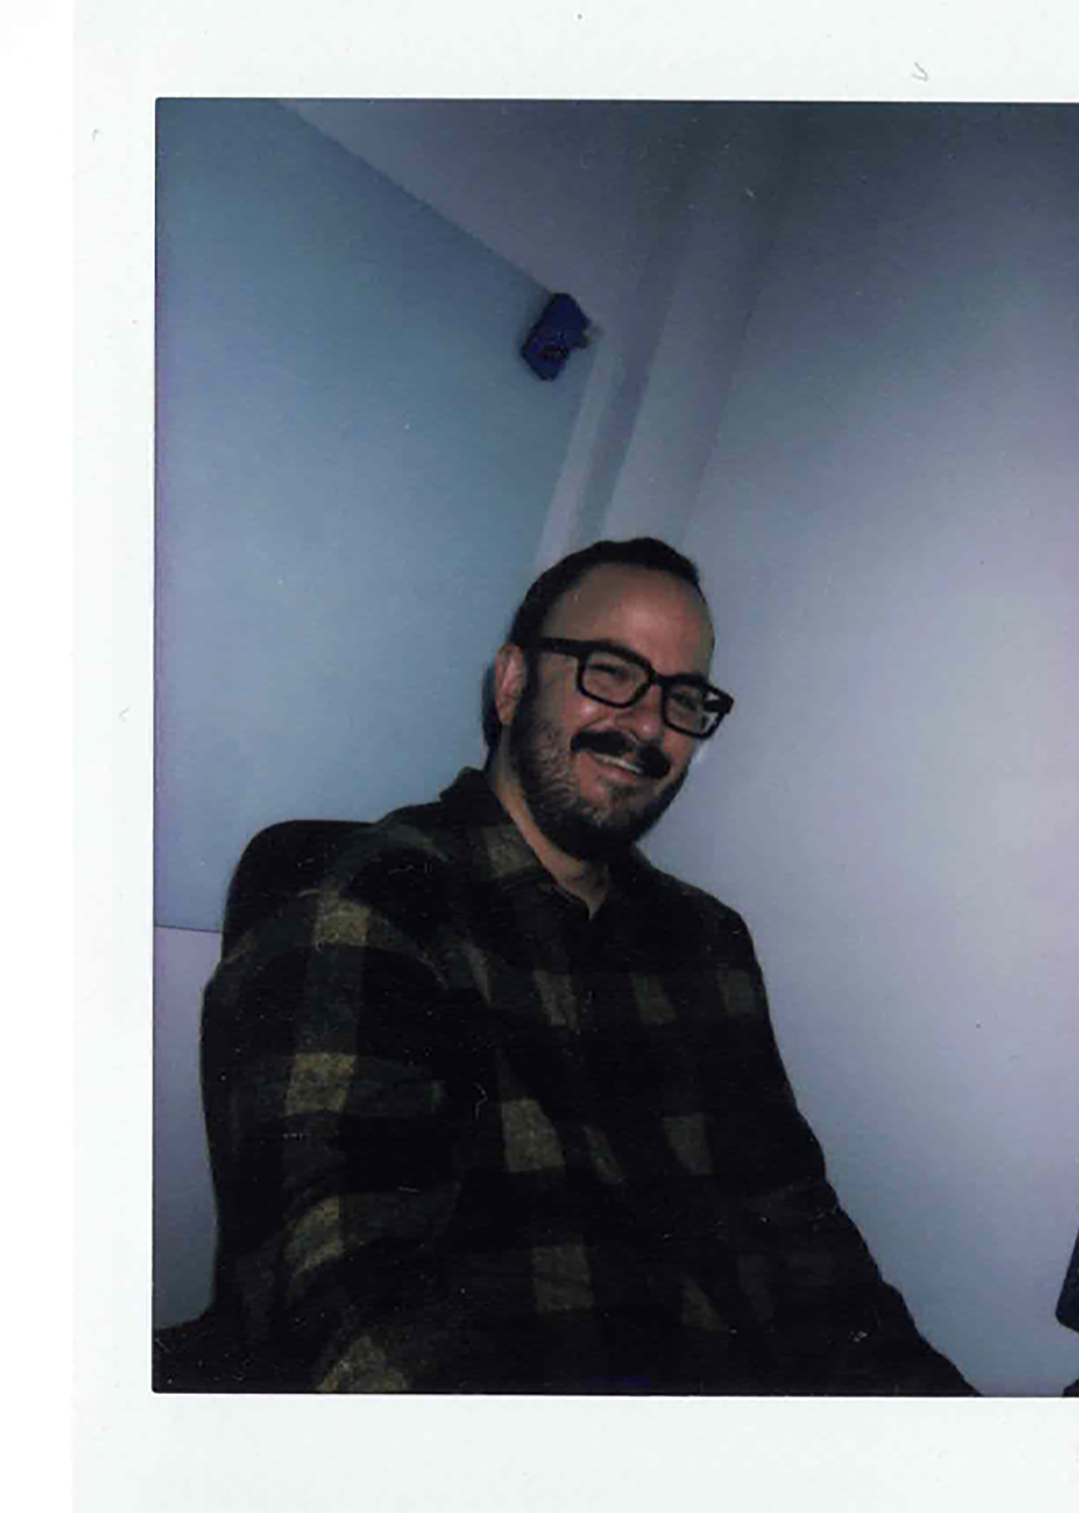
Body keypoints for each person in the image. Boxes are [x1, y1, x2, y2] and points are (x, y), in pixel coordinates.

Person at [200, 537, 974, 1394]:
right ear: (511, 684)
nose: (648, 725)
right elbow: (339, 1292)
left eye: (683, 697)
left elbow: (802, 1233)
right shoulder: (368, 905)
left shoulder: (709, 942)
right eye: (611, 672)